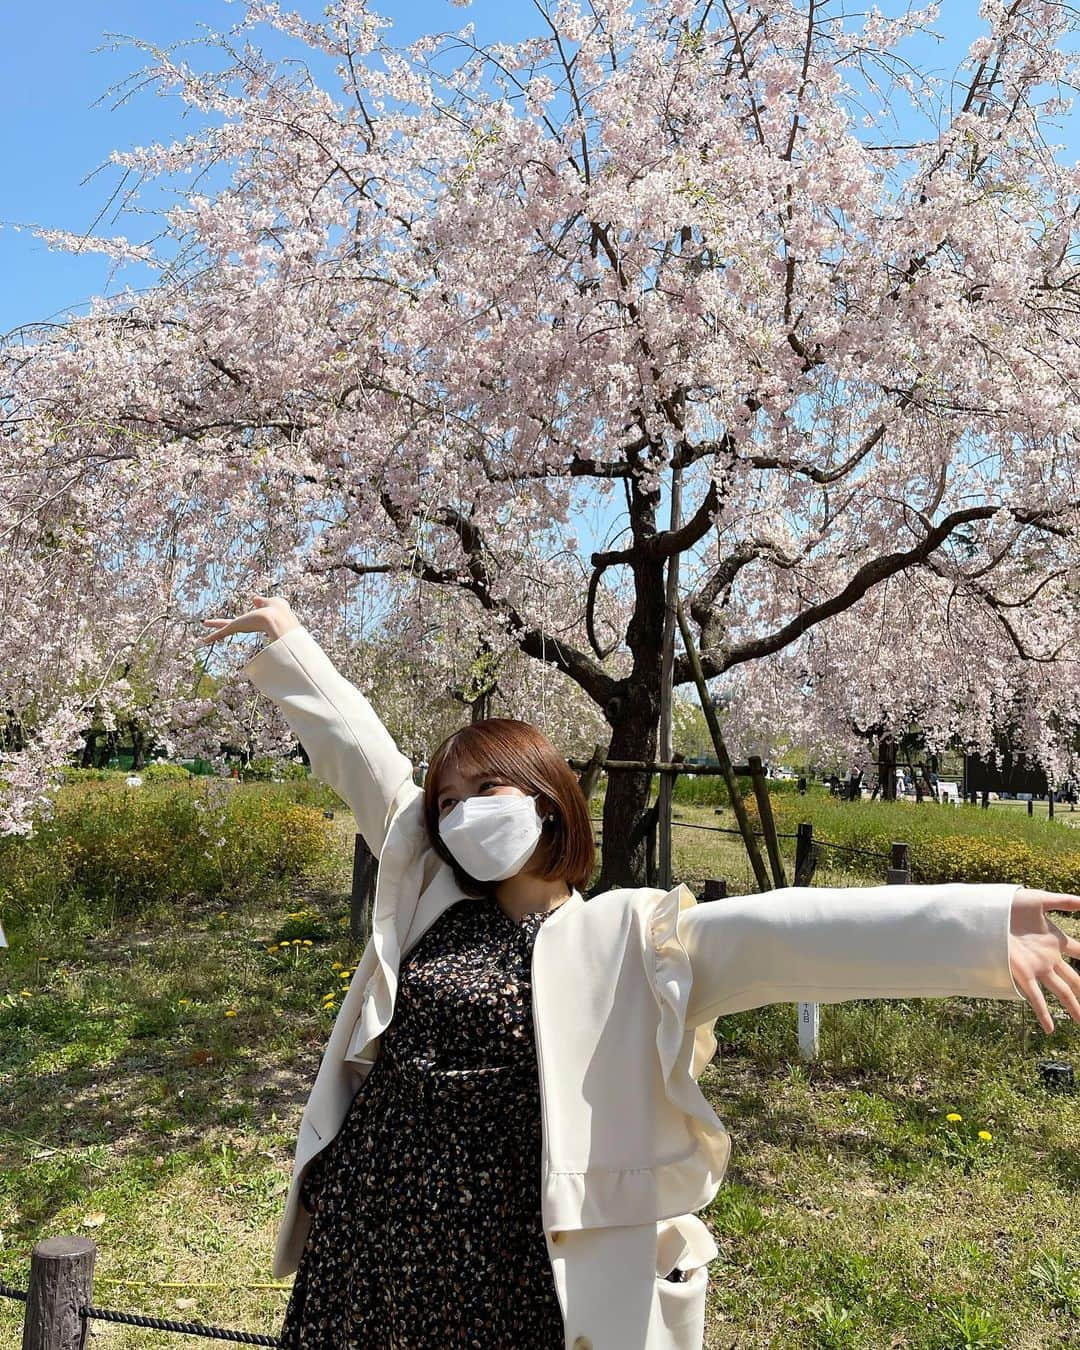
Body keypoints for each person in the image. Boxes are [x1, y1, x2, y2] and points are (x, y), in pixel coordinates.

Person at [196, 595, 1080, 1350]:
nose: (462, 814)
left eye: (486, 791)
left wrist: (975, 930)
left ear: (549, 800)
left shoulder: (624, 934)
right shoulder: (433, 898)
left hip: (503, 1269)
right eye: (448, 800)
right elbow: (364, 761)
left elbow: (782, 937)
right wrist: (290, 642)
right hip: (368, 1241)